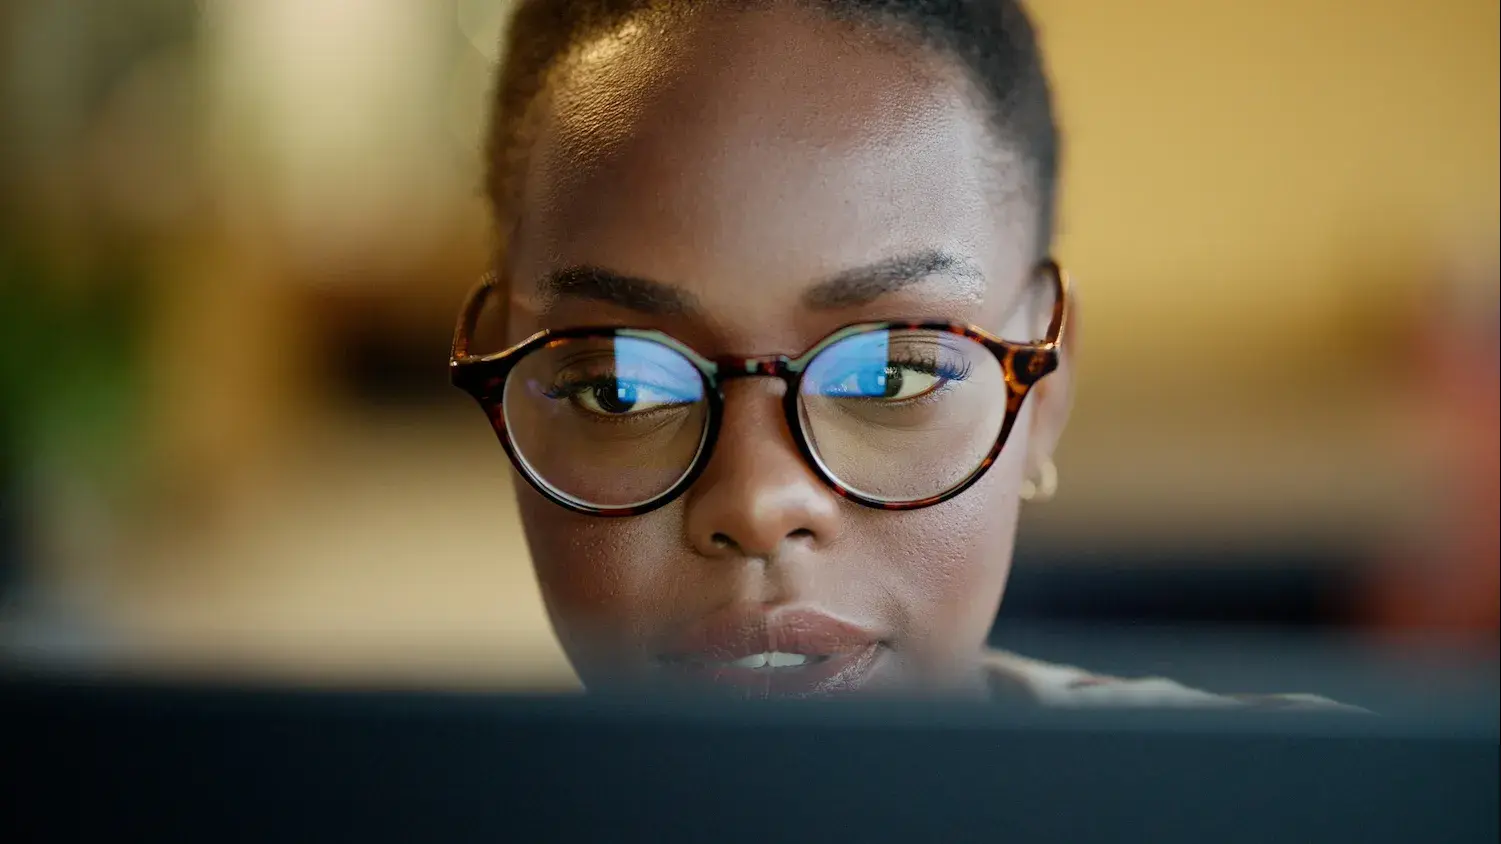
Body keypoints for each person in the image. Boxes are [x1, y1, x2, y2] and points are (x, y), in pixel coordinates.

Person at [450, 0, 1347, 707]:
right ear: (504, 381)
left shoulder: (1339, 809)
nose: (761, 503)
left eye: (889, 374)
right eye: (619, 387)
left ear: (1044, 385)